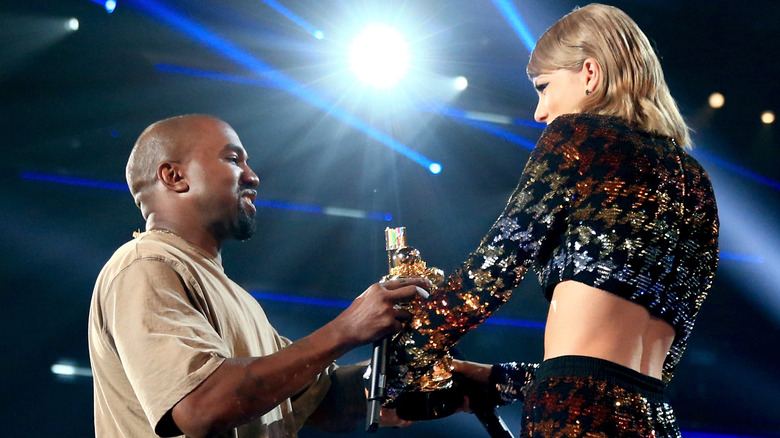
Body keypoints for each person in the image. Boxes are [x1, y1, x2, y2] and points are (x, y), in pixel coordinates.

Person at [386, 4, 719, 437]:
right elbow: (645, 368)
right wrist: (496, 379)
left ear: (590, 73)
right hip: (654, 420)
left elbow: (492, 272)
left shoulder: (577, 137)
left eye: (544, 87)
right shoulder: (696, 183)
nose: (540, 112)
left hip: (573, 416)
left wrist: (396, 367)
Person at [87, 114, 431, 438]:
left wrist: (440, 358)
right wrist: (347, 328)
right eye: (233, 159)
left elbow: (327, 401)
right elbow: (200, 407)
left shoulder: (233, 295)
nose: (252, 176)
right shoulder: (145, 263)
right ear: (175, 177)